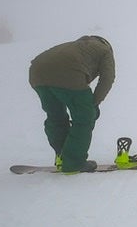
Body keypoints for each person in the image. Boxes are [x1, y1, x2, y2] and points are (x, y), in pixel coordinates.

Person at [28, 35, 115, 173]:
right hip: (69, 73)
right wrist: (93, 104)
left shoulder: (76, 46)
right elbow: (107, 78)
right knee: (84, 118)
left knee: (55, 116)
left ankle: (62, 156)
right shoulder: (105, 50)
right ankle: (73, 162)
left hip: (37, 73)